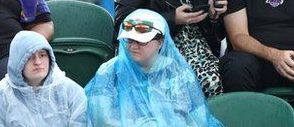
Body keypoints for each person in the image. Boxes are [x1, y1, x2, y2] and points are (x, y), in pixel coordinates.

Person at [85, 9, 222, 126]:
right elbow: (101, 119)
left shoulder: (176, 72)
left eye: (141, 41)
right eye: (129, 39)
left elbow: (198, 119)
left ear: (160, 43)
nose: (133, 46)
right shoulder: (110, 72)